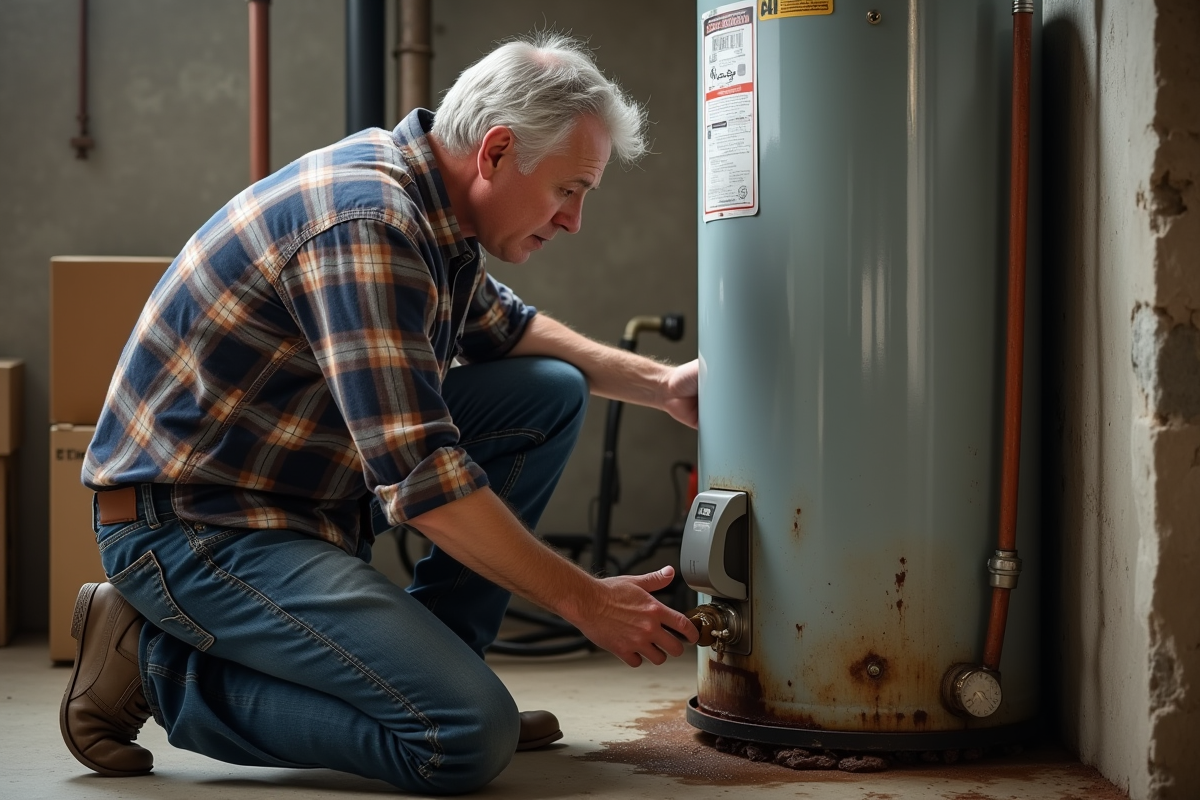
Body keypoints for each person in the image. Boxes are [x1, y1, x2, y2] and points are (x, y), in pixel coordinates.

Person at [58, 31, 700, 794]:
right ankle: (154, 666)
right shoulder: (369, 223)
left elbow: (509, 331)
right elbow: (421, 478)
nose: (574, 220)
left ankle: (439, 668)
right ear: (496, 152)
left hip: (286, 497)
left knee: (547, 392)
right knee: (462, 739)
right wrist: (585, 601)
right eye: (569, 189)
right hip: (195, 528)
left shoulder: (430, 206)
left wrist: (662, 384)